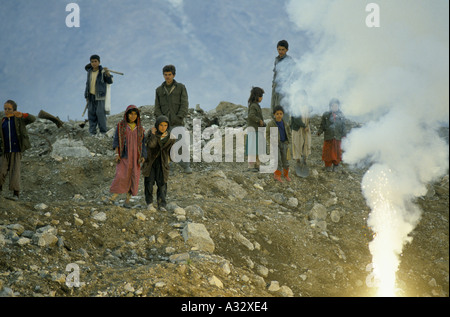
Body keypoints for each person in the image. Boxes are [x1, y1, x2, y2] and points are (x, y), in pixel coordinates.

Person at [154, 65, 191, 174]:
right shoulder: (159, 90)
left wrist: (179, 116)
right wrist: (161, 119)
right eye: (165, 75)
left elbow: (184, 103)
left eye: (169, 74)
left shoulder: (180, 87)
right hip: (164, 124)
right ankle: (168, 167)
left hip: (177, 121)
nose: (167, 77)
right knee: (166, 145)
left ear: (173, 75)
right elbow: (157, 106)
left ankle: (186, 166)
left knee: (181, 144)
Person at [110, 105, 146, 208]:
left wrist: (143, 155)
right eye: (131, 113)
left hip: (136, 157)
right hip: (124, 156)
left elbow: (143, 143)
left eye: (135, 114)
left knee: (133, 177)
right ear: (127, 114)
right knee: (121, 176)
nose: (133, 116)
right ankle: (113, 197)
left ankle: (127, 200)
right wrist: (117, 153)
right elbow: (116, 140)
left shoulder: (140, 129)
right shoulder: (121, 126)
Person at [0, 100, 36, 200]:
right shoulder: (2, 121)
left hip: (16, 150)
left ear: (14, 109)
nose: (7, 111)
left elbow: (33, 119)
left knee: (15, 172)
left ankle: (16, 194)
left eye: (9, 109)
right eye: (5, 109)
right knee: (1, 170)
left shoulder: (19, 119)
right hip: (5, 151)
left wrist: (22, 115)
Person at [142, 115, 175, 211]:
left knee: (162, 184)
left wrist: (169, 160)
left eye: (165, 125)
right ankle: (149, 203)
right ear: (157, 125)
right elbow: (151, 145)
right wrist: (153, 135)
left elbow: (171, 151)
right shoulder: (150, 133)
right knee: (149, 183)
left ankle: (162, 204)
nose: (163, 127)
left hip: (162, 163)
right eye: (161, 125)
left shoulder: (170, 137)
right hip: (151, 163)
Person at [84, 54, 113, 136]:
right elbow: (87, 84)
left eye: (95, 61)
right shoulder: (89, 72)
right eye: (92, 61)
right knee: (91, 113)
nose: (94, 63)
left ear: (99, 62)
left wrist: (107, 73)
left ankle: (103, 131)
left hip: (100, 95)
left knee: (100, 113)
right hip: (91, 96)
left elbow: (110, 81)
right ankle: (92, 132)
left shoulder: (102, 71)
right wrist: (86, 95)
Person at [317, 98, 347, 172]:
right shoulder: (326, 115)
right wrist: (319, 131)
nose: (335, 107)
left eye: (336, 106)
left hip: (337, 137)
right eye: (333, 106)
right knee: (327, 152)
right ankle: (328, 166)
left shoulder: (341, 115)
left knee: (337, 152)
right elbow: (322, 125)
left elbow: (344, 126)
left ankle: (336, 165)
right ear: (330, 106)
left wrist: (344, 135)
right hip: (328, 137)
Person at [266, 105, 291, 182]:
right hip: (275, 144)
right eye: (277, 114)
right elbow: (267, 134)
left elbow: (289, 133)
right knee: (278, 160)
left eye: (280, 113)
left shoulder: (285, 124)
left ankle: (286, 175)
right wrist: (271, 142)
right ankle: (277, 175)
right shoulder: (271, 124)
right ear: (274, 115)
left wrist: (288, 141)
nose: (279, 115)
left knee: (285, 160)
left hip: (284, 144)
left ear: (283, 114)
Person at [271, 40, 295, 119]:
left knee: (284, 110)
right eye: (279, 49)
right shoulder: (276, 59)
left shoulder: (289, 61)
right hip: (275, 88)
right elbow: (275, 74)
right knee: (274, 109)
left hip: (284, 90)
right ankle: (274, 130)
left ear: (287, 50)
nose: (280, 51)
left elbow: (293, 75)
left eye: (283, 50)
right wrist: (273, 85)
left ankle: (284, 130)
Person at [247, 87, 266, 172]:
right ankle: (251, 166)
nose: (262, 98)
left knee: (257, 148)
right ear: (257, 96)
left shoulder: (256, 106)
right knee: (252, 149)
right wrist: (259, 121)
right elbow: (251, 116)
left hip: (257, 131)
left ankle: (257, 165)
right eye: (261, 96)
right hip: (253, 131)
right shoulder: (254, 106)